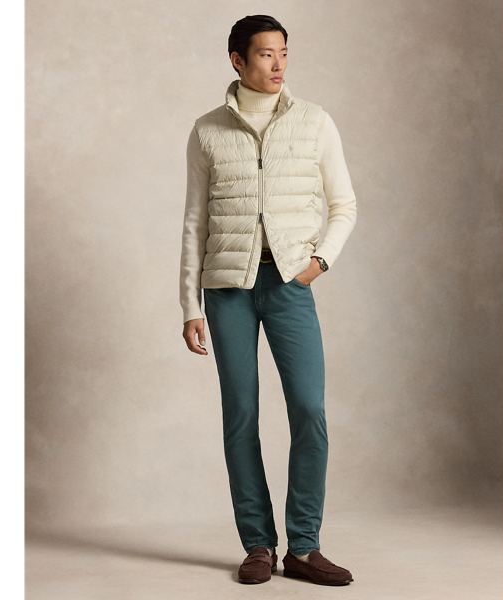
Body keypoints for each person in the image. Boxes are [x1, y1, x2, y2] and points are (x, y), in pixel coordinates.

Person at [179, 14, 357, 586]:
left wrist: (319, 261)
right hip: (226, 290)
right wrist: (189, 305)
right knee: (241, 415)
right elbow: (194, 221)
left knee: (309, 410)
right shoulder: (207, 131)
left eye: (284, 53)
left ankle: (303, 546)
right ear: (238, 60)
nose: (278, 65)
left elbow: (344, 204)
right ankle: (258, 544)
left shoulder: (314, 122)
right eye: (265, 54)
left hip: (288, 285)